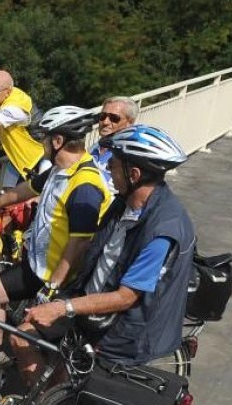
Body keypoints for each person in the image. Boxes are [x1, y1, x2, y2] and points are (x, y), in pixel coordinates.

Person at [25, 125, 196, 366]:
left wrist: (63, 307)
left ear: (134, 175)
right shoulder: (124, 203)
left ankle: (53, 402)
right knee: (23, 339)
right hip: (90, 305)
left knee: (60, 377)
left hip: (120, 330)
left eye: (113, 163)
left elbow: (125, 298)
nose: (106, 168)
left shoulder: (163, 231)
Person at [0, 106, 113, 381]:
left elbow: (79, 245)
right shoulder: (59, 171)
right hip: (38, 267)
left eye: (44, 138)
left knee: (22, 340)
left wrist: (52, 288)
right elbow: (27, 189)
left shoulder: (84, 185)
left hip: (63, 281)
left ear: (58, 141)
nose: (41, 144)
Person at [90, 96, 139, 193]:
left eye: (114, 118)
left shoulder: (130, 155)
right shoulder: (96, 146)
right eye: (102, 116)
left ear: (130, 122)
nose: (105, 122)